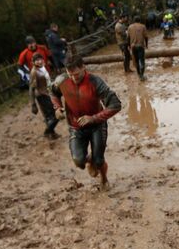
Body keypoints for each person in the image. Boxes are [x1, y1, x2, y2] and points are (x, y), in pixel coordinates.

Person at [51, 54, 121, 190]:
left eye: (76, 74)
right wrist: (57, 108)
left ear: (83, 67)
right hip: (76, 127)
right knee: (78, 160)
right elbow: (53, 93)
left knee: (99, 160)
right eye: (70, 74)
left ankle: (104, 179)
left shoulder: (95, 82)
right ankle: (90, 160)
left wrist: (93, 118)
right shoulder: (61, 81)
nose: (73, 78)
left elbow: (115, 105)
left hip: (97, 125)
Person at [29, 53, 59, 138]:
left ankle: (52, 134)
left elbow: (47, 81)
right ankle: (47, 132)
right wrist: (33, 104)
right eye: (37, 60)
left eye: (40, 59)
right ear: (33, 62)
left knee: (50, 116)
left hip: (47, 93)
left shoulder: (42, 67)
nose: (39, 61)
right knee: (55, 115)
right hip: (42, 96)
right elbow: (31, 89)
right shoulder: (34, 72)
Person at [127, 16, 149, 81]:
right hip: (140, 46)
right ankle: (141, 76)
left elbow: (128, 37)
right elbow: (146, 37)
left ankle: (139, 74)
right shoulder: (143, 26)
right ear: (140, 20)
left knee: (136, 61)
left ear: (134, 20)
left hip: (133, 46)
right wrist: (147, 45)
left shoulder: (130, 27)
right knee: (142, 61)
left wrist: (129, 45)